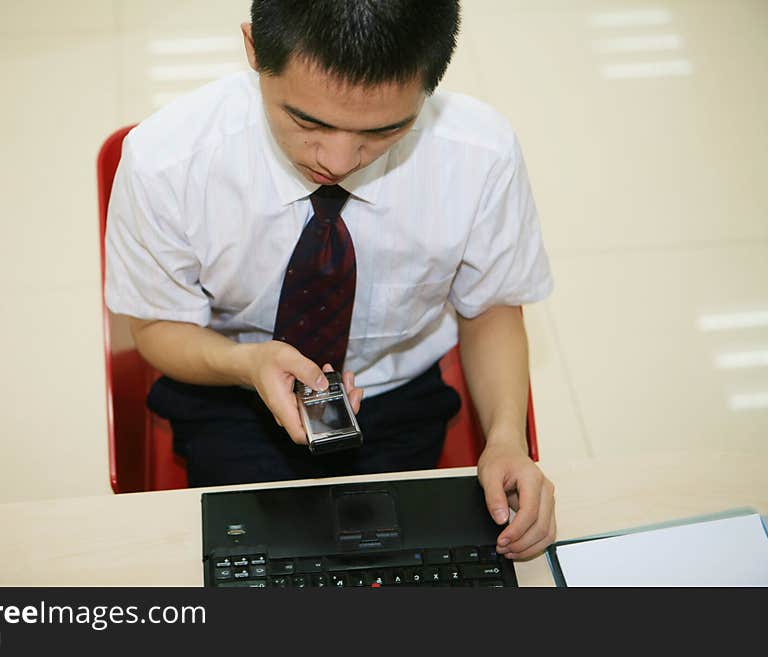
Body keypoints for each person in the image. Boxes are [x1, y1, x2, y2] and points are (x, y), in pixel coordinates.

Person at [105, 0, 556, 560]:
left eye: (385, 129)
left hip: (395, 394)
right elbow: (157, 327)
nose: (339, 160)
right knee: (260, 568)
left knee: (395, 573)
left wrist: (507, 439)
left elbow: (490, 309)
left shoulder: (480, 157)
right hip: (228, 382)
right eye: (307, 121)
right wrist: (247, 365)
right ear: (253, 49)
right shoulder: (166, 163)